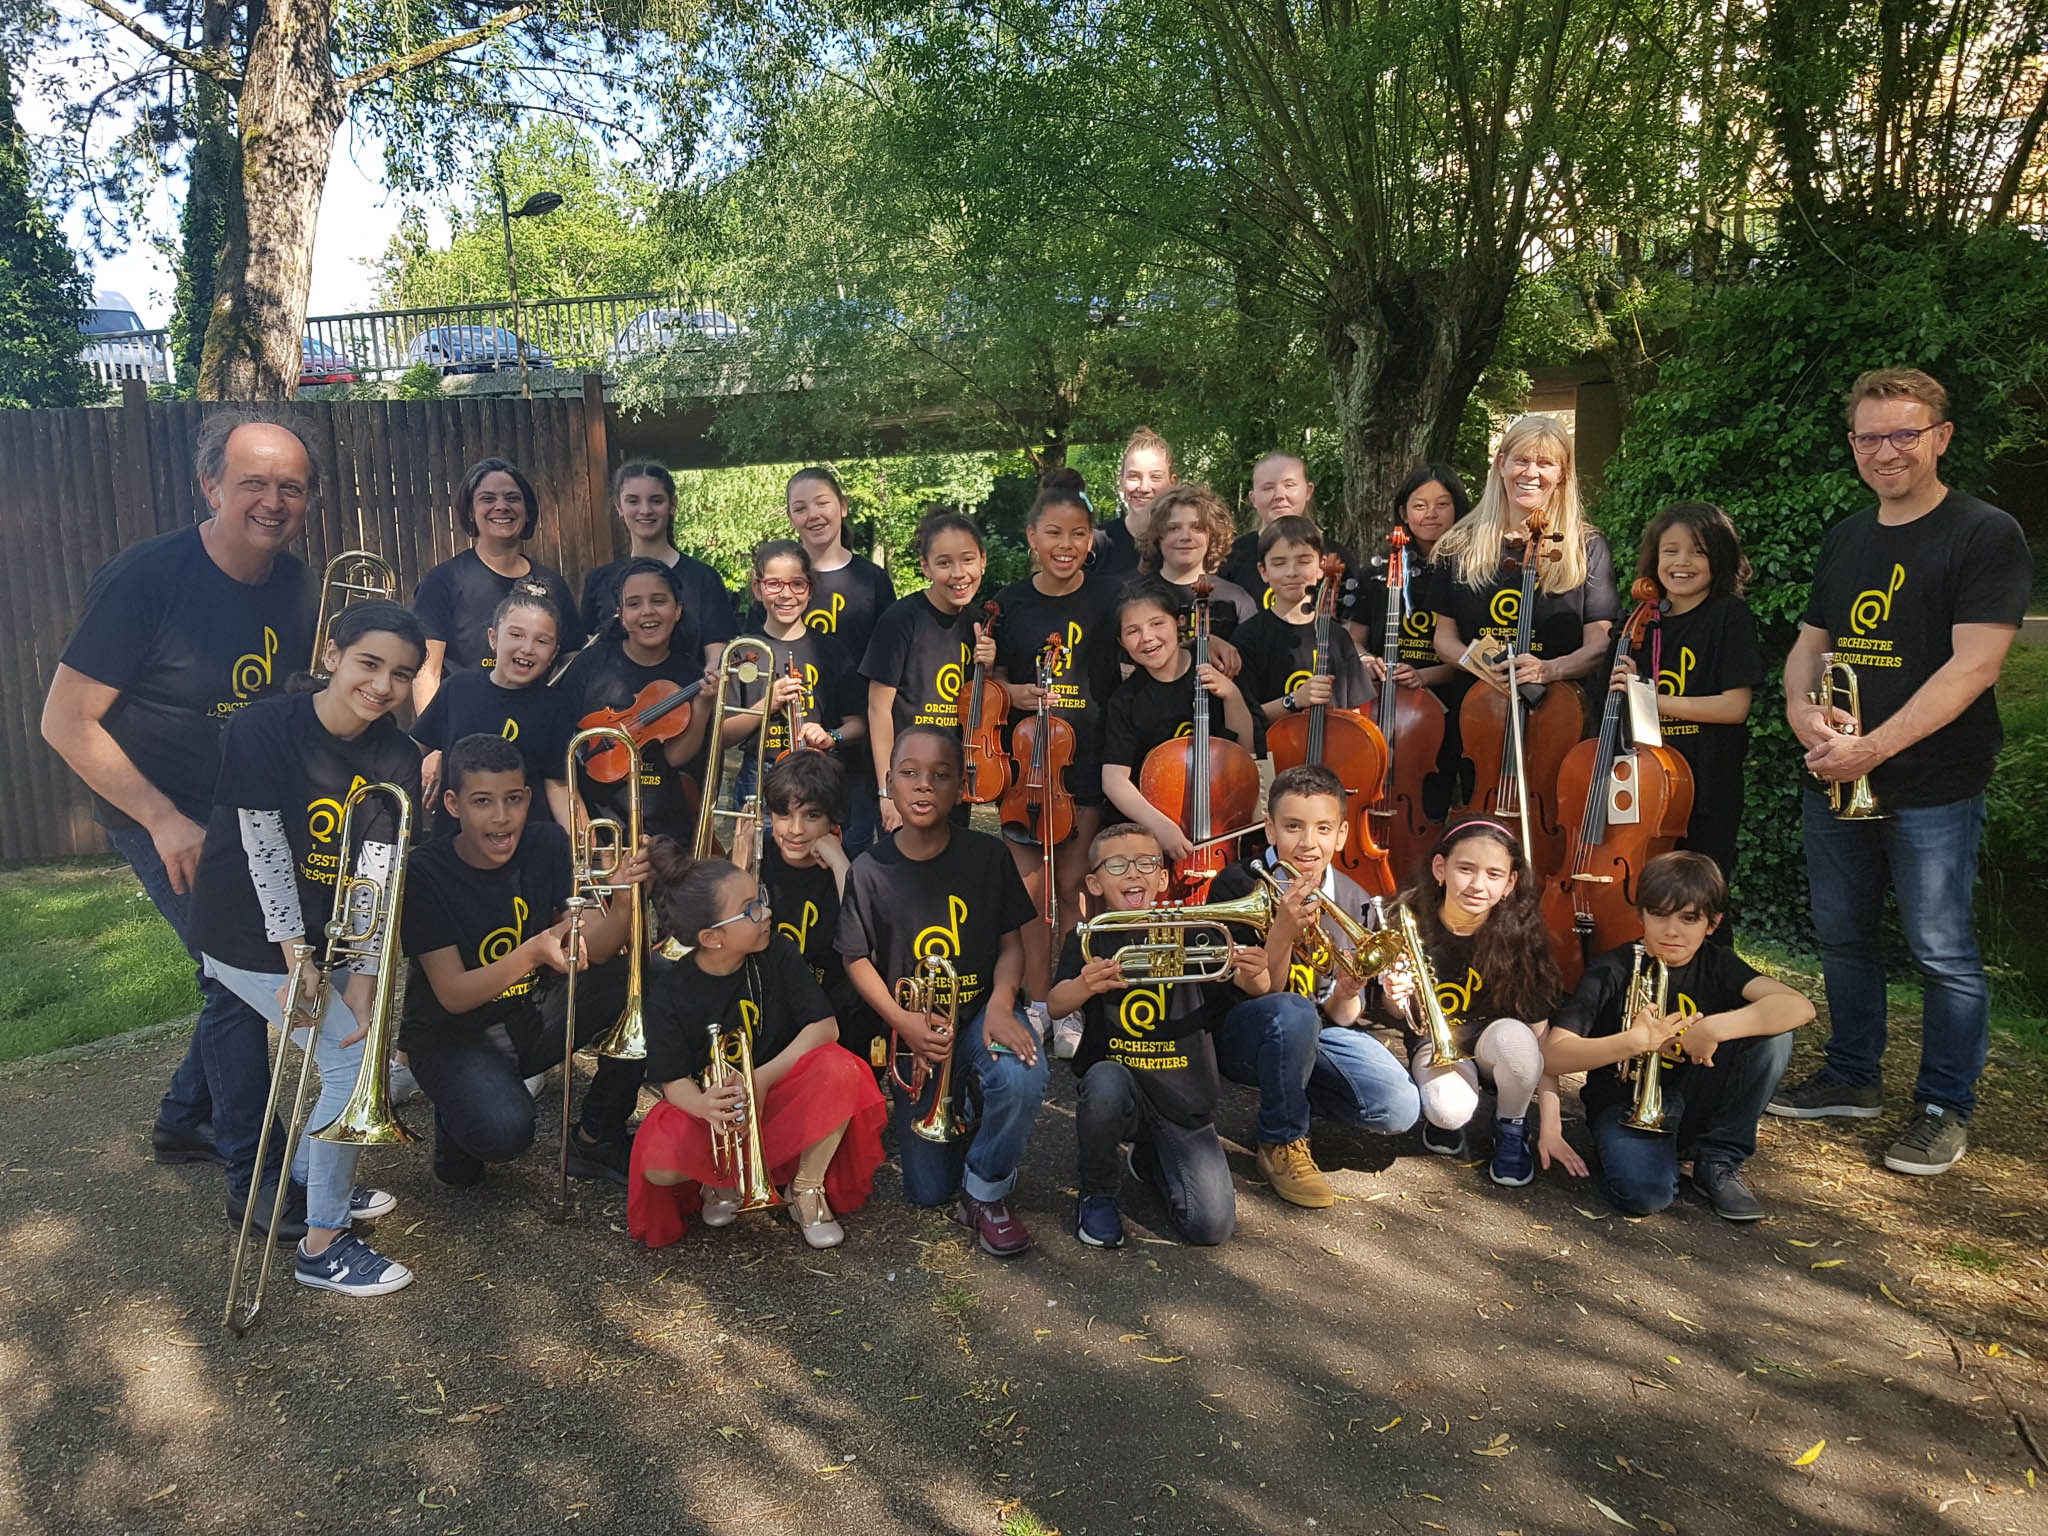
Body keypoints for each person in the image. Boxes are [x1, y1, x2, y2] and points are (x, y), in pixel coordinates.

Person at [41, 413, 319, 1215]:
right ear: (210, 486)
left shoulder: (300, 587)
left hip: (249, 817)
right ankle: (255, 1181)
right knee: (238, 980)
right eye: (253, 483)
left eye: (291, 487)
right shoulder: (146, 579)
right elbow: (65, 721)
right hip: (157, 811)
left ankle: (183, 1119)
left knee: (230, 971)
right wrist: (164, 819)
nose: (272, 501)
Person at [1768, 368, 2032, 1177]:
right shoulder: (1848, 535)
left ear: (1941, 437)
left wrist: (1871, 748)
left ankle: (1944, 1106)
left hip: (1934, 784)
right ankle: (1852, 1076)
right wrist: (1802, 713)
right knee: (1845, 941)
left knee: (1942, 950)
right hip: (1839, 775)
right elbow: (1812, 648)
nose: (1886, 451)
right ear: (1853, 443)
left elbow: (1974, 668)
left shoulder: (1985, 533)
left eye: (1904, 434)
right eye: (1869, 436)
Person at [187, 602, 425, 1296]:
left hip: (328, 935)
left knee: (359, 1048)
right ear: (332, 655)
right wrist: (300, 960)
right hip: (247, 931)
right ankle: (321, 1247)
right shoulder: (264, 726)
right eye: (369, 664)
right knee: (348, 1075)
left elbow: (378, 873)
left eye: (402, 675)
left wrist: (367, 974)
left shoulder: (399, 757)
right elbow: (264, 849)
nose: (383, 686)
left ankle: (319, 1171)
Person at [397, 733, 649, 1190]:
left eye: (513, 799)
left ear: (528, 798)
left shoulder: (548, 843)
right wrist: (533, 950)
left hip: (526, 1016)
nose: (501, 817)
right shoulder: (425, 871)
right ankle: (458, 1111)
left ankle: (598, 1134)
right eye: (482, 802)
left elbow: (602, 947)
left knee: (646, 980)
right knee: (503, 1134)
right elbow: (452, 995)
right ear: (452, 804)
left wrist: (624, 898)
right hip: (450, 1037)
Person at [838, 726, 1049, 1255]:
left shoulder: (987, 856)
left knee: (1023, 1076)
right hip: (917, 1030)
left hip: (979, 1012)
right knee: (927, 1190)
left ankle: (985, 1190)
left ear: (962, 786)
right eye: (909, 773)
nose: (924, 785)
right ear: (888, 784)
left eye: (941, 775)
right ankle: (970, 1112)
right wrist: (902, 1020)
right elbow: (855, 958)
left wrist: (1003, 1004)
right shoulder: (869, 869)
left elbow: (1010, 944)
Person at [628, 847, 888, 1249]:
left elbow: (826, 1027)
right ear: (712, 938)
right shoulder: (668, 993)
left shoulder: (777, 951)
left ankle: (805, 1189)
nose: (765, 912)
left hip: (779, 1094)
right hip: (718, 1110)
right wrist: (703, 1106)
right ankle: (723, 1180)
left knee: (843, 1069)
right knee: (658, 1158)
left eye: (761, 898)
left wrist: (762, 1077)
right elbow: (672, 1080)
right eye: (750, 910)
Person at [1547, 852, 1813, 1220]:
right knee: (1642, 1197)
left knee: (1775, 1035)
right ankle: (1650, 1153)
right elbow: (1553, 1055)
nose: (1672, 931)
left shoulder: (1718, 963)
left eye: (1689, 918)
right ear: (1640, 914)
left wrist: (1711, 1028)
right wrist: (1632, 1043)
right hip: (1623, 1105)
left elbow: (1799, 1006)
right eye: (1658, 914)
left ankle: (1716, 1158)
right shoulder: (1611, 968)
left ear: (1712, 923)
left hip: (1697, 1099)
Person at [1206, 766, 1423, 1207]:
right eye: (1293, 826)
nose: (1308, 843)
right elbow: (1263, 992)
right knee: (1292, 1010)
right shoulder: (1237, 883)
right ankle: (1281, 1139)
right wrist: (1282, 931)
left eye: (1323, 828)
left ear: (1342, 834)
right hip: (1244, 1033)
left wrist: (1347, 990)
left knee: (1399, 1106)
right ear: (1269, 829)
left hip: (1315, 1033)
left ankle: (1287, 1092)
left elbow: (1343, 1015)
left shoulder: (1355, 898)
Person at [1053, 823, 1260, 1248]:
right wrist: (1085, 986)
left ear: (1164, 877)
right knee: (1105, 1082)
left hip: (1184, 1098)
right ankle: (1098, 1192)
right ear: (1094, 882)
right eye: (1116, 865)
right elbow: (1055, 1003)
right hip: (1120, 1087)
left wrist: (1258, 973)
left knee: (1210, 1227)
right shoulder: (1091, 938)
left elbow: (1256, 987)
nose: (1133, 873)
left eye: (1147, 863)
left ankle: (1151, 1158)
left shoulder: (1198, 932)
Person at [1375, 817, 1577, 1188]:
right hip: (1434, 1044)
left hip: (1496, 1043)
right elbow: (1397, 1013)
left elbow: (1540, 1041)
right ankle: (1450, 1118)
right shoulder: (1406, 921)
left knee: (1517, 1044)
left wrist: (1552, 1126)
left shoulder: (1524, 937)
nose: (1478, 885)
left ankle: (1512, 1125)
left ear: (1510, 883)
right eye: (1465, 869)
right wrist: (1393, 993)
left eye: (1494, 874)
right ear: (1440, 868)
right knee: (1448, 1111)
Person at [989, 468, 1124, 1000]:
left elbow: (1151, 635)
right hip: (1027, 765)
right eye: (1053, 533)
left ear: (1090, 539)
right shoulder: (1010, 601)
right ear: (1032, 537)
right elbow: (990, 682)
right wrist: (1015, 693)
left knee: (1071, 888)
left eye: (1077, 534)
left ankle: (1071, 997)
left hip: (1087, 761)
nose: (1065, 546)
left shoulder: (1111, 596)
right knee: (1028, 891)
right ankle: (1037, 997)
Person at [1613, 502, 1762, 919]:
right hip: (1645, 787)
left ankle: (1708, 977)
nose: (1681, 562)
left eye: (1698, 551)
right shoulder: (1641, 621)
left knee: (1702, 897)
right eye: (1670, 551)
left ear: (1720, 558)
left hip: (1707, 785)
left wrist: (1652, 700)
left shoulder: (1729, 616)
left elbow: (1735, 706)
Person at [1431, 416, 1619, 730]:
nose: (1531, 473)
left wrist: (1549, 670)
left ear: (1561, 475)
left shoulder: (1587, 547)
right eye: (1521, 460)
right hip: (1479, 714)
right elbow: (1444, 640)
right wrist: (1480, 666)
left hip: (1562, 715)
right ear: (1502, 463)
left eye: (1545, 463)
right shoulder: (1458, 544)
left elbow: (1598, 646)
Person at [763, 466, 899, 857]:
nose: (813, 515)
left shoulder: (871, 579)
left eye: (822, 503)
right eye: (800, 508)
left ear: (842, 507)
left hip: (856, 739)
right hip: (795, 744)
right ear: (790, 517)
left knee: (855, 850)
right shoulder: (785, 580)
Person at [1100, 578, 1259, 864]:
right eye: (1132, 631)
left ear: (1179, 622)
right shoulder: (1125, 700)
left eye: (1157, 623)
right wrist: (1160, 826)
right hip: (1157, 828)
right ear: (1121, 642)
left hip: (1219, 824)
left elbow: (1244, 754)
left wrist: (1232, 696)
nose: (1147, 637)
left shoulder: (1214, 673)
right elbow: (1114, 780)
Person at [554, 558, 713, 844]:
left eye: (659, 601)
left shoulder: (688, 672)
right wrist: (587, 837)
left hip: (666, 831)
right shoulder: (590, 665)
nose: (647, 612)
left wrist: (702, 705)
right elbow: (560, 753)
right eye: (634, 603)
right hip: (599, 827)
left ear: (677, 610)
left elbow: (676, 757)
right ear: (621, 614)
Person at [410, 457, 583, 712]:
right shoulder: (443, 580)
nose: (501, 506)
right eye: (488, 499)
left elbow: (572, 662)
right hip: (465, 727)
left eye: (512, 498)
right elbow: (427, 671)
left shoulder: (553, 585)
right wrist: (437, 740)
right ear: (470, 511)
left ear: (527, 510)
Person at [860, 510, 990, 834]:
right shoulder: (901, 619)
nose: (959, 574)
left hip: (952, 778)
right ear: (925, 566)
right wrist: (886, 790)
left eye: (968, 560)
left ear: (983, 561)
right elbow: (878, 709)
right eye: (944, 563)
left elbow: (983, 706)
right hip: (907, 780)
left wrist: (988, 668)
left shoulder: (980, 621)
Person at [410, 588, 574, 834]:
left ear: (553, 654)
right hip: (454, 840)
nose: (527, 648)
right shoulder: (458, 688)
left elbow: (559, 787)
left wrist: (587, 850)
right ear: (493, 638)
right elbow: (411, 751)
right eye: (516, 635)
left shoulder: (555, 706)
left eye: (542, 641)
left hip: (520, 845)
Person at [721, 539, 865, 813]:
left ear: (810, 589)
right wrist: (768, 704)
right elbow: (722, 735)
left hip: (817, 768)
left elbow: (858, 724)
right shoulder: (742, 651)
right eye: (774, 584)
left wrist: (830, 736)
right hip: (760, 771)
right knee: (755, 852)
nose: (786, 595)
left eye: (797, 584)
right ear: (757, 588)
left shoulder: (832, 651)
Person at [578, 459, 739, 666]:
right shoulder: (598, 579)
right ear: (619, 507)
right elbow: (589, 653)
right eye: (633, 501)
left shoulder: (704, 578)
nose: (645, 510)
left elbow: (717, 652)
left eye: (656, 500)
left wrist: (709, 682)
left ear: (672, 505)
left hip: (689, 697)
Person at [1218, 451, 1368, 646]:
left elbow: (1350, 629)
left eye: (1289, 485)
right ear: (1253, 499)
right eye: (1268, 487)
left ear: (1308, 491)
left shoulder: (1336, 556)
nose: (1279, 495)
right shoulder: (1229, 555)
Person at [1234, 516, 1373, 725]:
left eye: (1304, 561)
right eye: (1279, 563)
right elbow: (1243, 718)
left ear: (1321, 567)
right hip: (1272, 755)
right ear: (1263, 571)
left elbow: (1354, 714)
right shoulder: (1248, 637)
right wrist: (1294, 700)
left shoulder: (1338, 637)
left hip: (1334, 754)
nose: (1292, 572)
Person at [759, 749, 858, 1028]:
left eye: (811, 815)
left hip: (831, 1011)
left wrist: (839, 864)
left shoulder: (851, 869)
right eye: (784, 814)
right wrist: (741, 865)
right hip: (766, 1010)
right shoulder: (759, 856)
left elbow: (862, 940)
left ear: (833, 820)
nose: (796, 829)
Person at [1137, 483, 1260, 642]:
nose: (1186, 537)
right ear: (1156, 536)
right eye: (1173, 528)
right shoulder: (1134, 597)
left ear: (1212, 536)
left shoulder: (1237, 599)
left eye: (1197, 528)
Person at [1092, 426, 1178, 581]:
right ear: (1121, 482)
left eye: (1155, 477)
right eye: (1134, 476)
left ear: (1172, 483)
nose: (1144, 488)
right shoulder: (1095, 545)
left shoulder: (1186, 544)